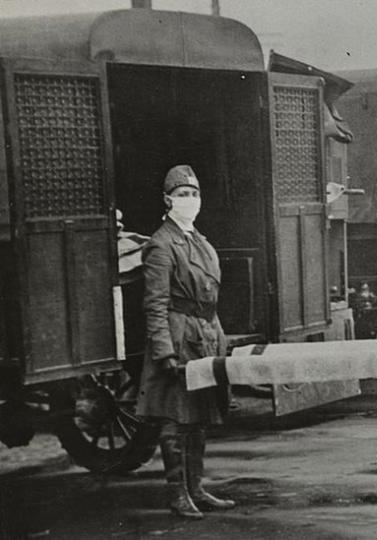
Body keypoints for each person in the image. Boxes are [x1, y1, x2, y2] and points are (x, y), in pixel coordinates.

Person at [136, 165, 235, 518]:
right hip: (178, 337)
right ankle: (178, 494)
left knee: (199, 416)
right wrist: (164, 351)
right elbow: (155, 304)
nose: (189, 200)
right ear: (168, 200)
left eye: (193, 194)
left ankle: (196, 488)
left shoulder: (201, 242)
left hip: (204, 334)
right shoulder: (161, 244)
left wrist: (218, 339)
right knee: (175, 419)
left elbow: (210, 298)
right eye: (182, 195)